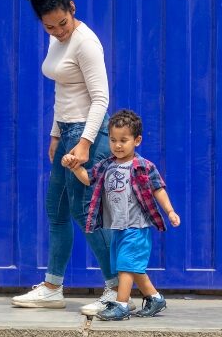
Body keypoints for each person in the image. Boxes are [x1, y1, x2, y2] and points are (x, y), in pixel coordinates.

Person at [11, 0, 135, 315]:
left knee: (87, 213)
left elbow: (101, 98)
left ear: (73, 8)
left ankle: (115, 290)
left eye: (62, 23)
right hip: (65, 133)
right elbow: (63, 87)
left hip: (87, 135)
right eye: (49, 26)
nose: (58, 31)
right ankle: (53, 286)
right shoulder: (56, 38)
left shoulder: (86, 42)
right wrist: (55, 132)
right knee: (57, 210)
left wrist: (83, 142)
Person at [63, 109, 180, 320]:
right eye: (113, 140)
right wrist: (74, 167)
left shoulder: (143, 166)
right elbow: (88, 178)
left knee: (125, 265)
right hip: (116, 226)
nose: (117, 145)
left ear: (137, 140)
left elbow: (158, 189)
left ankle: (122, 305)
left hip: (137, 226)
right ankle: (155, 298)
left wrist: (170, 211)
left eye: (123, 140)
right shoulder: (106, 165)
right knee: (131, 266)